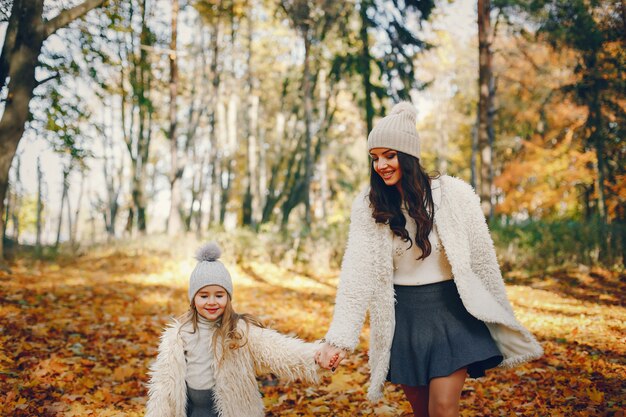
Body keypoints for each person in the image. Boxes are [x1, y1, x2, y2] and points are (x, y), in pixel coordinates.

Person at [315, 102, 543, 417]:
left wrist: (500, 314)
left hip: (451, 312)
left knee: (444, 408)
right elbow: (356, 274)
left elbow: (483, 260)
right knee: (422, 412)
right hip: (404, 318)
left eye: (389, 155)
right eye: (375, 158)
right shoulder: (369, 207)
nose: (381, 165)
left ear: (408, 156)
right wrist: (338, 339)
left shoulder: (454, 195)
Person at [145, 242, 320, 417]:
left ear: (228, 298)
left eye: (219, 295)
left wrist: (317, 356)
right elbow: (163, 384)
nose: (212, 302)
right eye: (204, 296)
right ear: (193, 299)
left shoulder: (240, 332)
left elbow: (280, 351)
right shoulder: (178, 335)